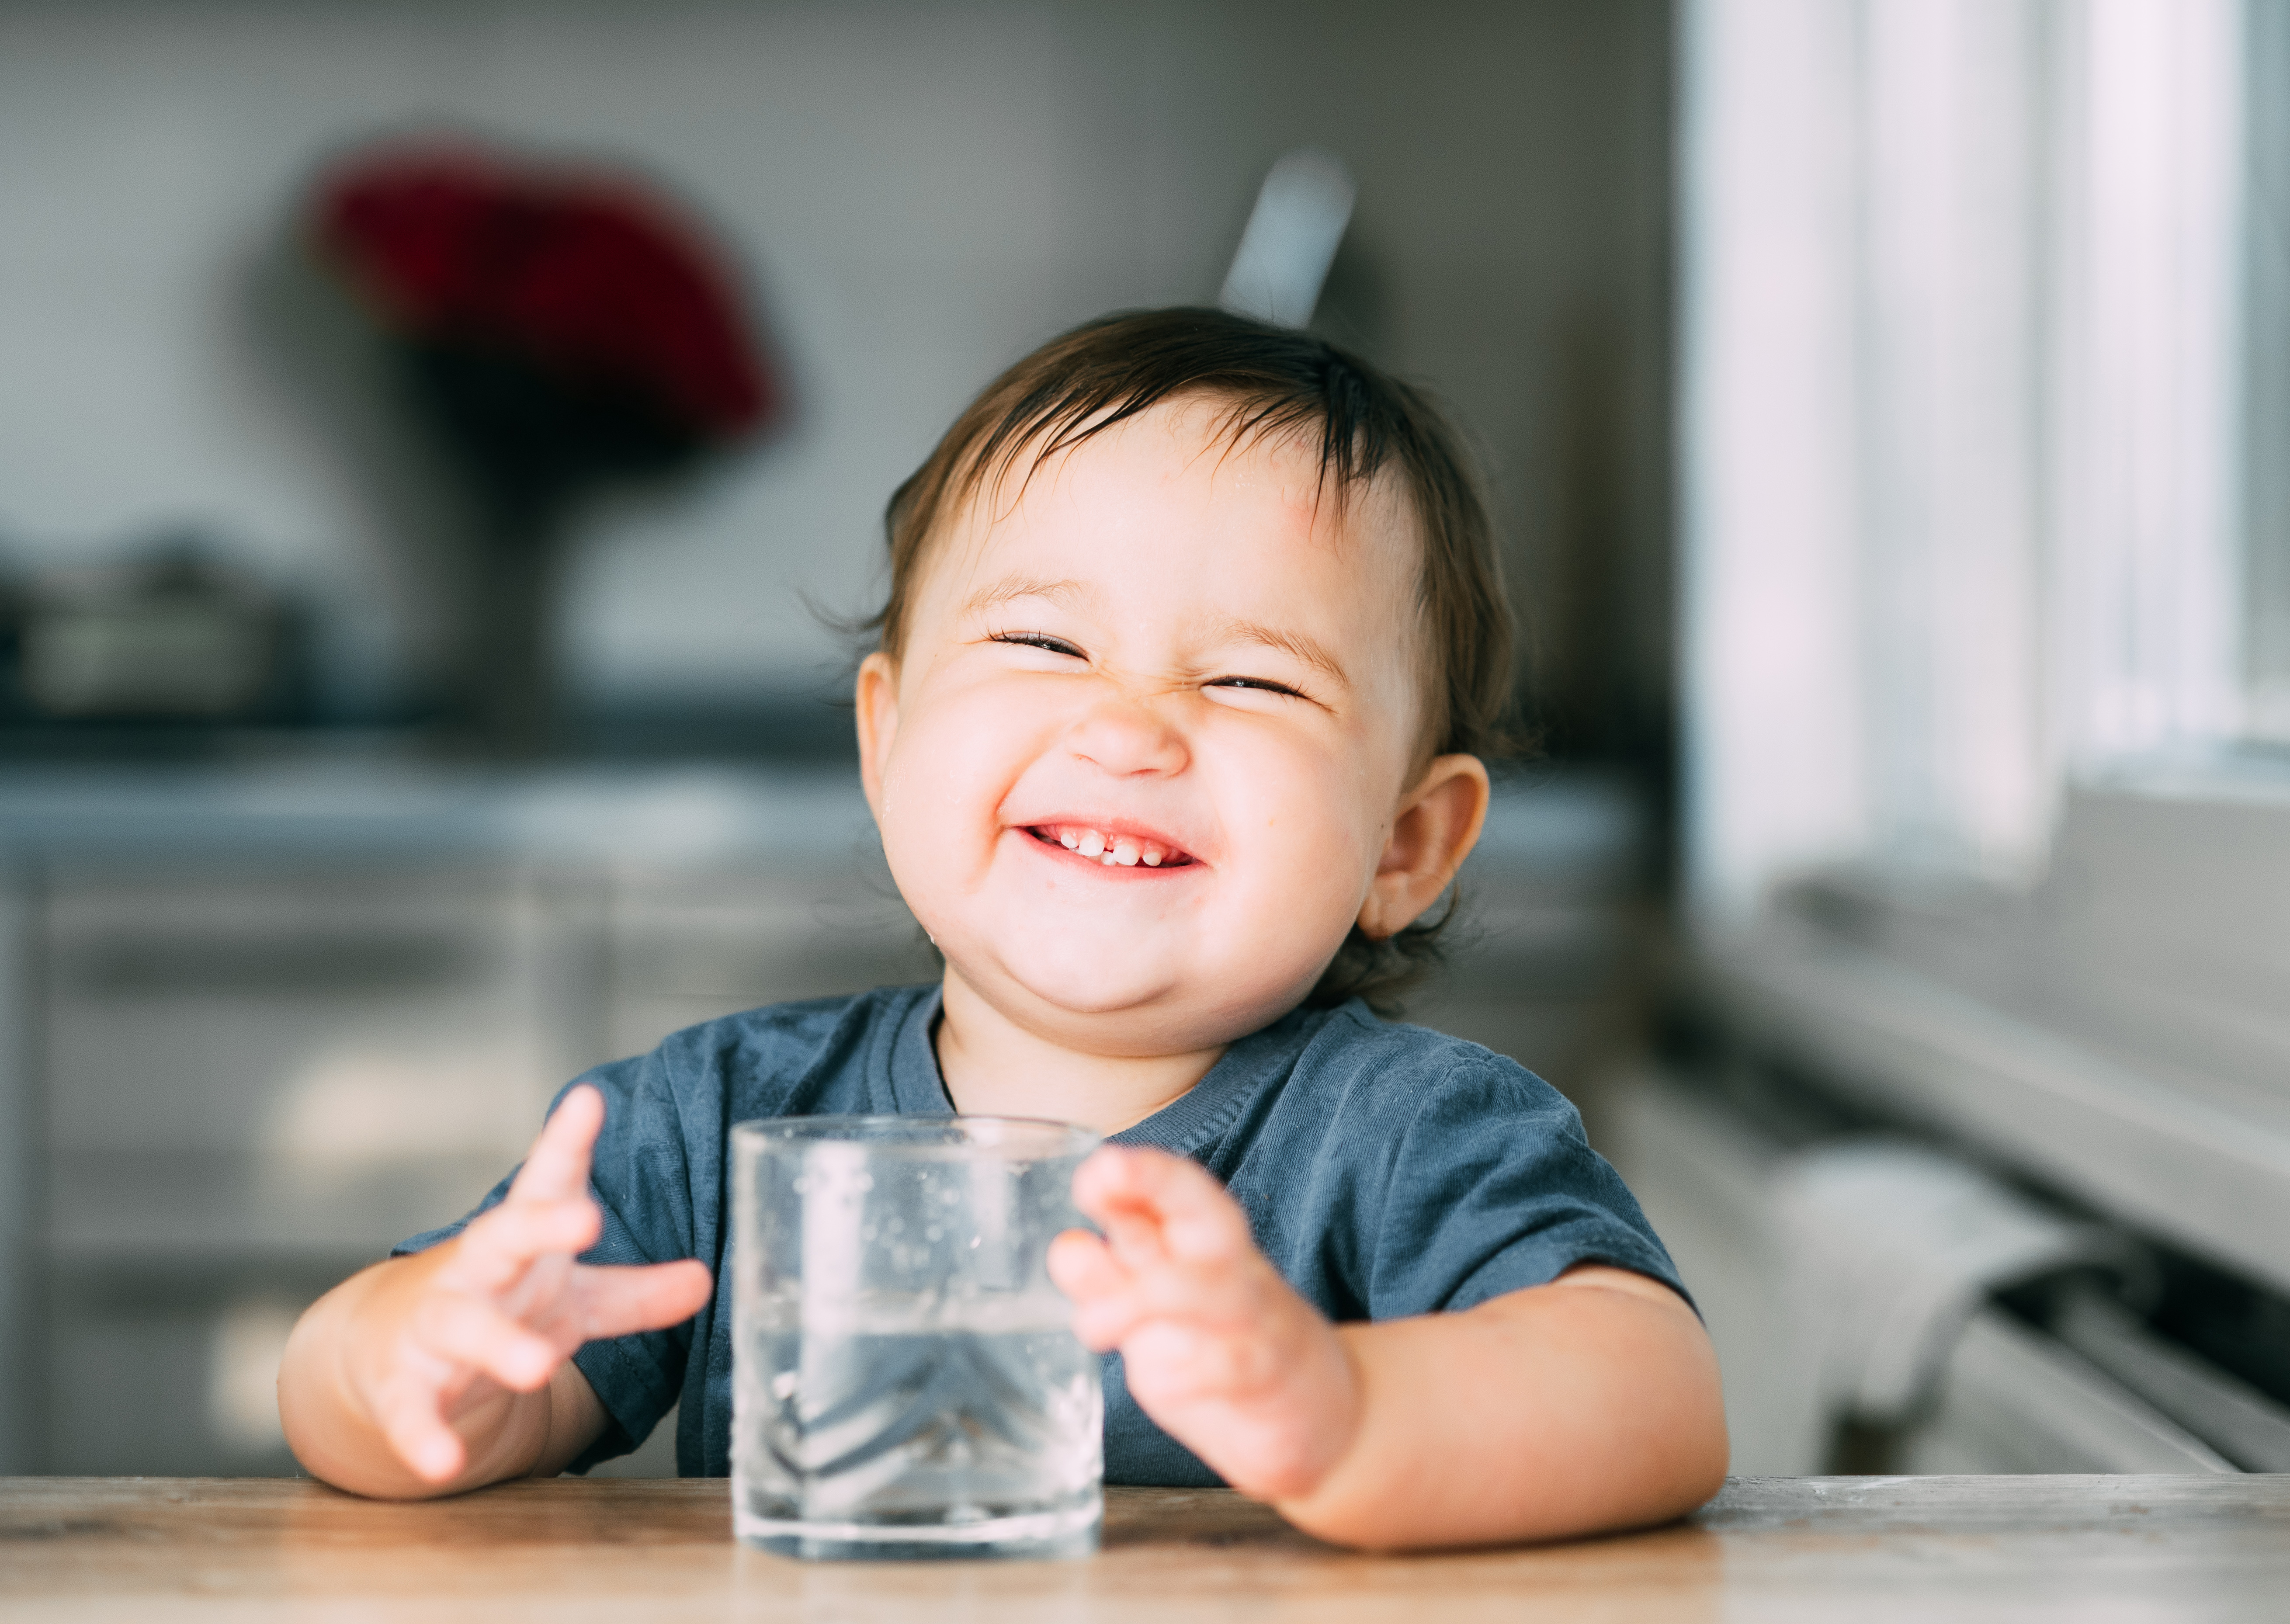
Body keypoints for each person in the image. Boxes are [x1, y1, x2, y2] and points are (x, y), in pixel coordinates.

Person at [277, 307, 1728, 1550]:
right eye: (1044, 643)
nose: (1130, 725)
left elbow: (1657, 1395)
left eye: (1250, 683)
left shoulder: (1412, 1134)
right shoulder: (717, 1120)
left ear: (1405, 844)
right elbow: (369, 1388)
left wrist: (1348, 1413)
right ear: (887, 737)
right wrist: (424, 1373)